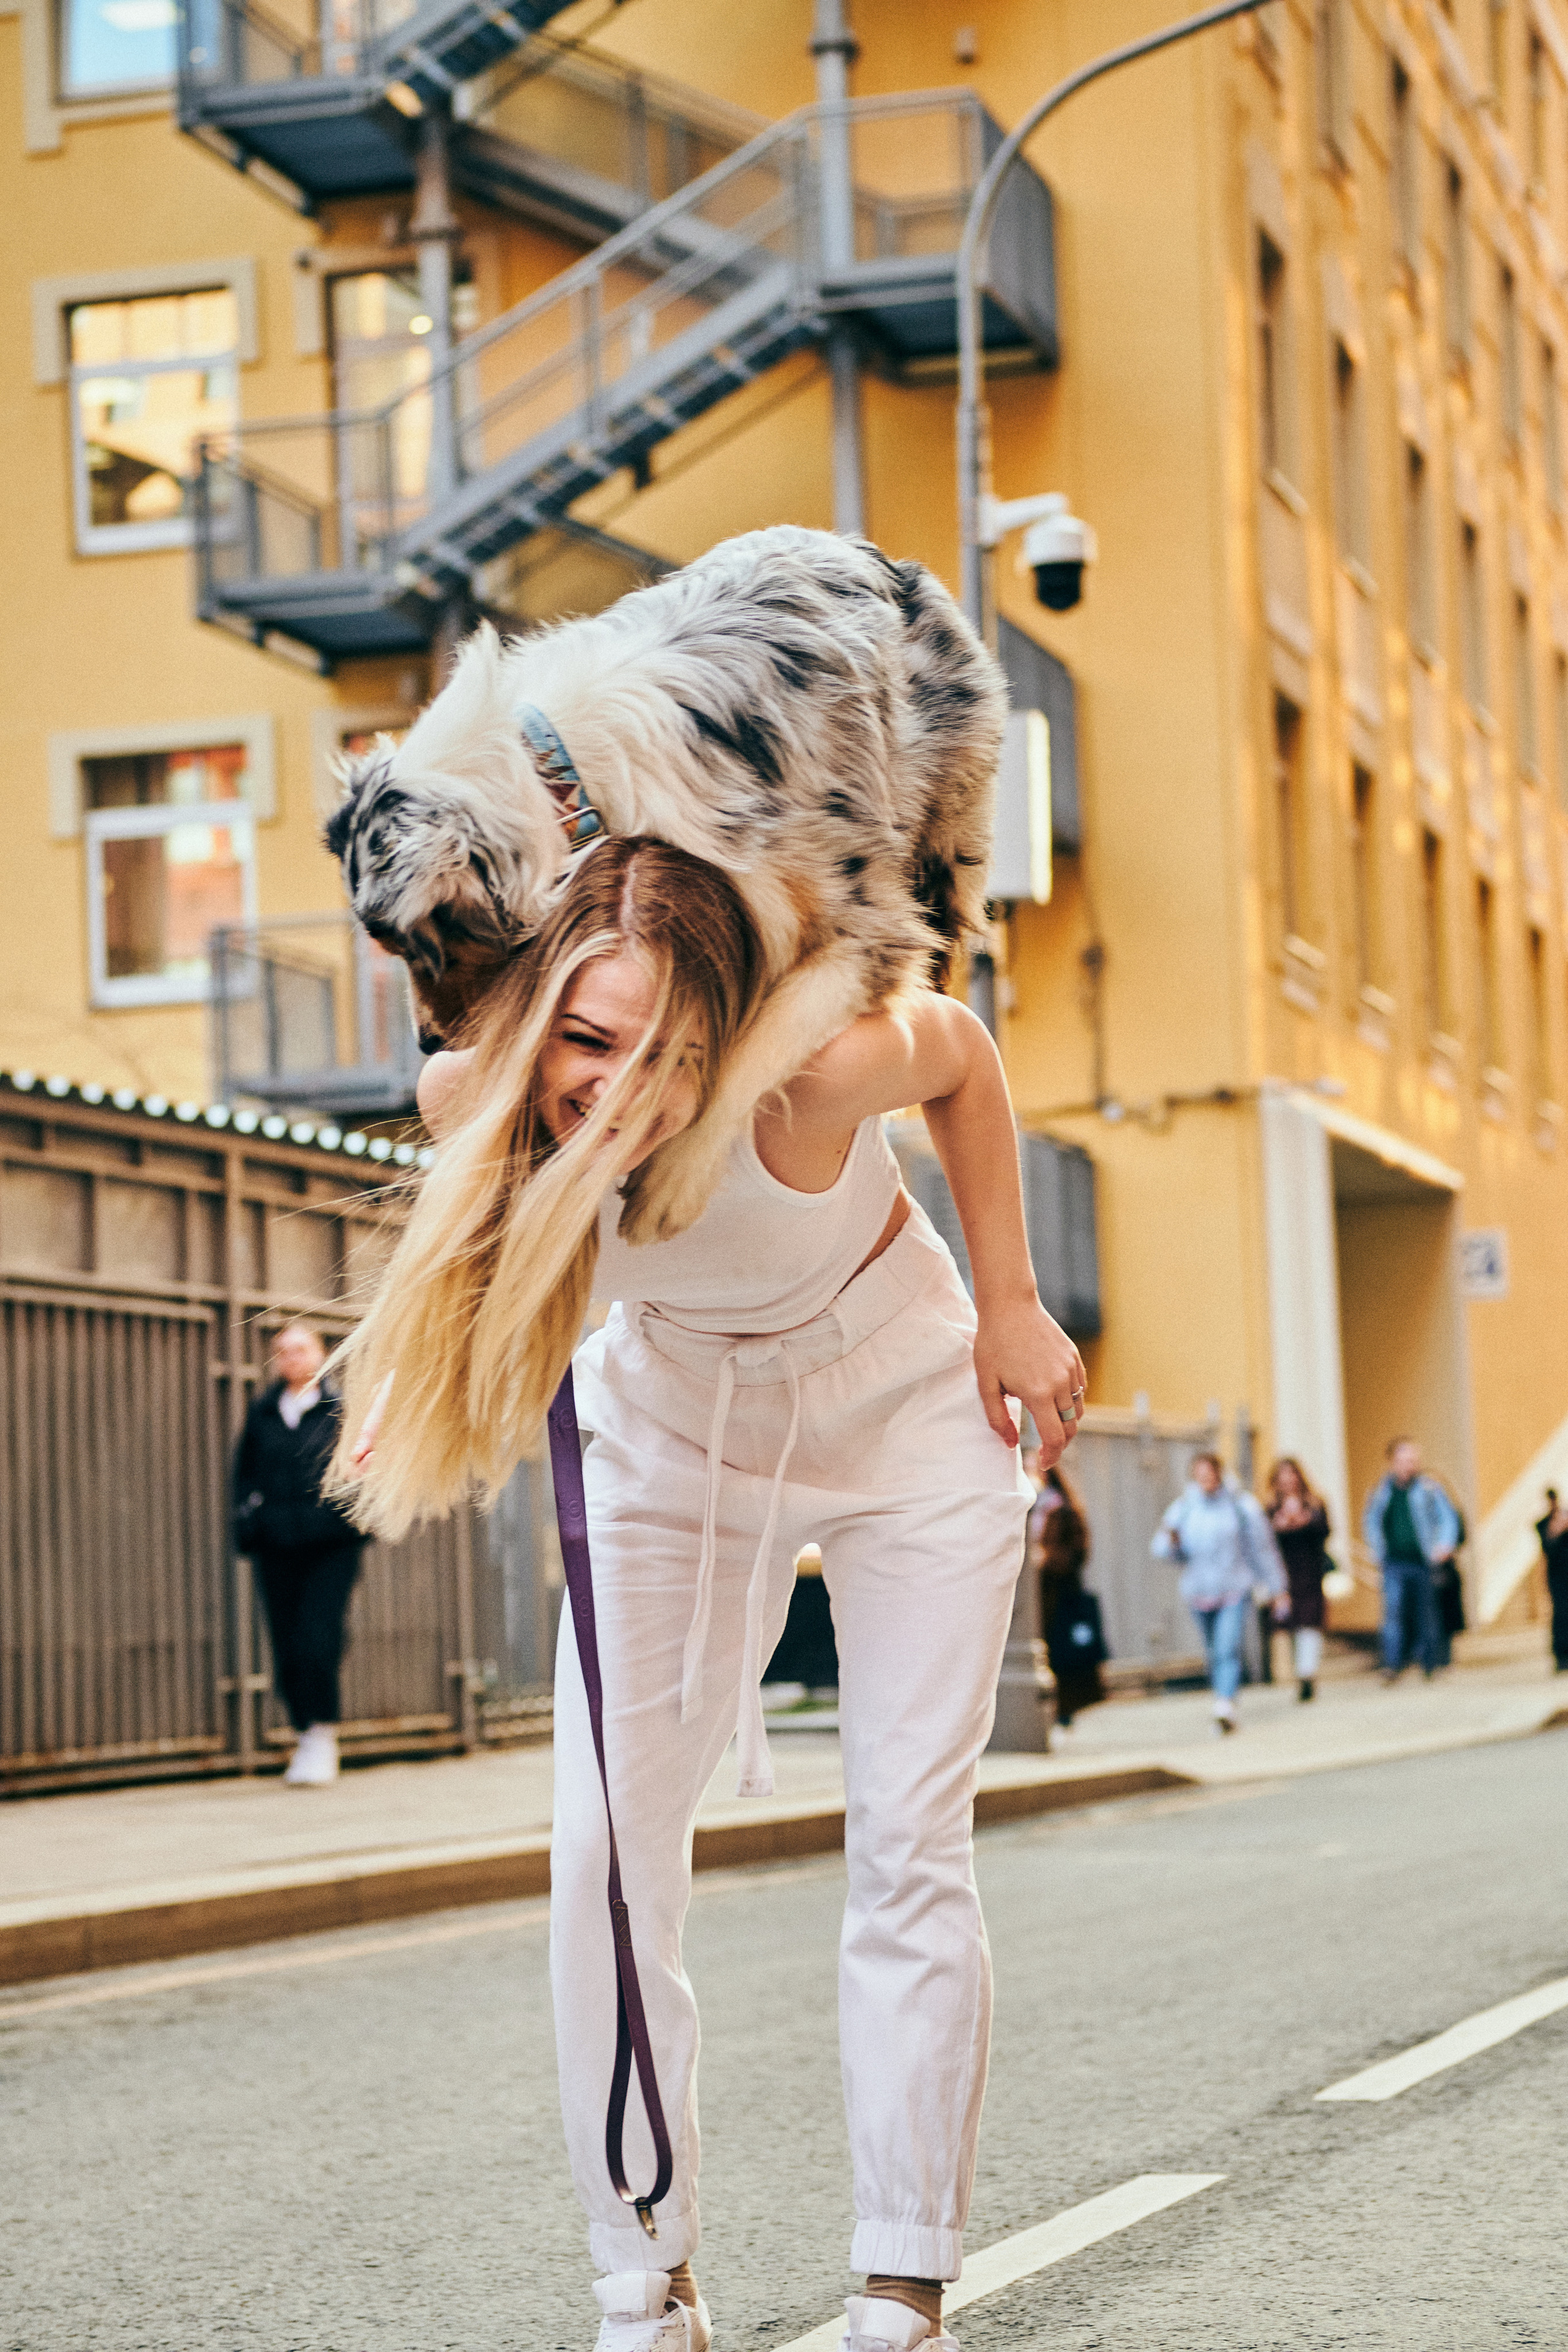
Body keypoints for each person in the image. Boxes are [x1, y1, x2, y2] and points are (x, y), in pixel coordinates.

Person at [337, 837, 1088, 2352]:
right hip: (672, 1426)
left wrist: (1010, 1305)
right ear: (535, 1017)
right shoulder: (462, 1097)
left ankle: (901, 2284)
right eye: (587, 1040)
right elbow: (479, 1262)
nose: (614, 1090)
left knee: (904, 1837)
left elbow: (964, 1055)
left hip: (902, 1403)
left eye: (664, 1055)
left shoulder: (805, 1075)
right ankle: (643, 2276)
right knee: (599, 1846)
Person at [232, 1320, 369, 1787]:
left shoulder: (339, 1410)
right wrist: (250, 1525)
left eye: (301, 1349)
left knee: (318, 1637)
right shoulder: (264, 1412)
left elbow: (363, 1470)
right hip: (278, 1546)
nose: (292, 1358)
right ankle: (304, 1731)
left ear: (320, 1354)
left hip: (330, 1546)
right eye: (283, 1351)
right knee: (287, 1641)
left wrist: (352, 1523)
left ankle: (323, 1733)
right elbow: (245, 1475)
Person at [1151, 1451, 1284, 1735]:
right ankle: (1224, 1694)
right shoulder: (1184, 1508)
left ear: (1219, 1474)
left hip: (1234, 1588)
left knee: (1227, 1647)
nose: (1206, 1480)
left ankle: (1224, 1705)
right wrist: (1173, 1544)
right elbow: (1162, 1549)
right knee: (1213, 1650)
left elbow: (1263, 1549)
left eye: (1210, 1473)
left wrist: (1277, 1587)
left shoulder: (1241, 1506)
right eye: (1200, 1475)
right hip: (1198, 1591)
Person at [1361, 1438, 1460, 1683]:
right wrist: (1376, 1550)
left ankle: (1430, 1663)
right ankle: (1392, 1664)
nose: (1410, 1465)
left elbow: (1449, 1518)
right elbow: (1371, 1522)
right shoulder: (1382, 1491)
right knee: (1393, 1612)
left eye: (1413, 1460)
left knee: (1427, 1612)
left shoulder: (1429, 1489)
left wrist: (1445, 1544)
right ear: (1393, 1462)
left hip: (1423, 1561)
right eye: (1404, 1460)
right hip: (1394, 1562)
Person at [1029, 1464, 1106, 1730]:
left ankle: (1064, 1713)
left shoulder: (1061, 1509)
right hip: (1037, 1595)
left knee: (1062, 1652)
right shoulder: (1028, 1507)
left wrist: (1045, 1560)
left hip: (1059, 1594)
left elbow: (1077, 1552)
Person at [1263, 1458, 1331, 1702]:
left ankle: (1307, 1673)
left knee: (1310, 1624)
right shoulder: (1271, 1509)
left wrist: (1305, 1521)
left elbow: (1325, 1531)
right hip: (1284, 1574)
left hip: (1310, 1574)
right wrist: (1279, 1526)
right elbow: (1263, 1542)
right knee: (1291, 1625)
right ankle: (1300, 1672)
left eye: (1292, 1475)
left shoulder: (1314, 1504)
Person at [1535, 1488, 1568, 1672]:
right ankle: (1561, 1656)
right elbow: (1547, 1548)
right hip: (1557, 1576)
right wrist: (1555, 1530)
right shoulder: (1543, 1524)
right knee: (1561, 1614)